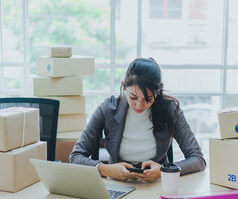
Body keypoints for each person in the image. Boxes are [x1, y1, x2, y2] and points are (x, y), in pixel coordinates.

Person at [68, 57, 206, 182]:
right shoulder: (107, 109)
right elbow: (75, 158)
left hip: (157, 186)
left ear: (157, 93)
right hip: (117, 184)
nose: (140, 105)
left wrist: (164, 171)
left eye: (148, 99)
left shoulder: (170, 110)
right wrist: (105, 169)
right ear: (124, 86)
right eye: (133, 97)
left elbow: (198, 160)